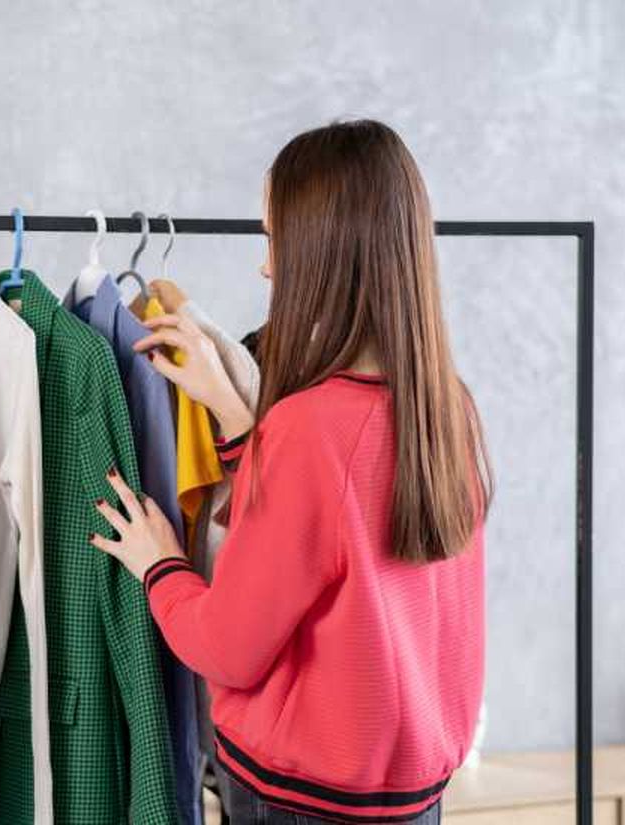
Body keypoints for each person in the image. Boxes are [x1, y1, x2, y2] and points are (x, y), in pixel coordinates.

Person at [91, 119, 492, 825]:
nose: (267, 266)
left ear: (322, 252)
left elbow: (225, 648)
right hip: (412, 802)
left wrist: (161, 564)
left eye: (274, 239)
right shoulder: (446, 407)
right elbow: (337, 537)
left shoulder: (311, 426)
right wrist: (240, 421)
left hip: (299, 804)